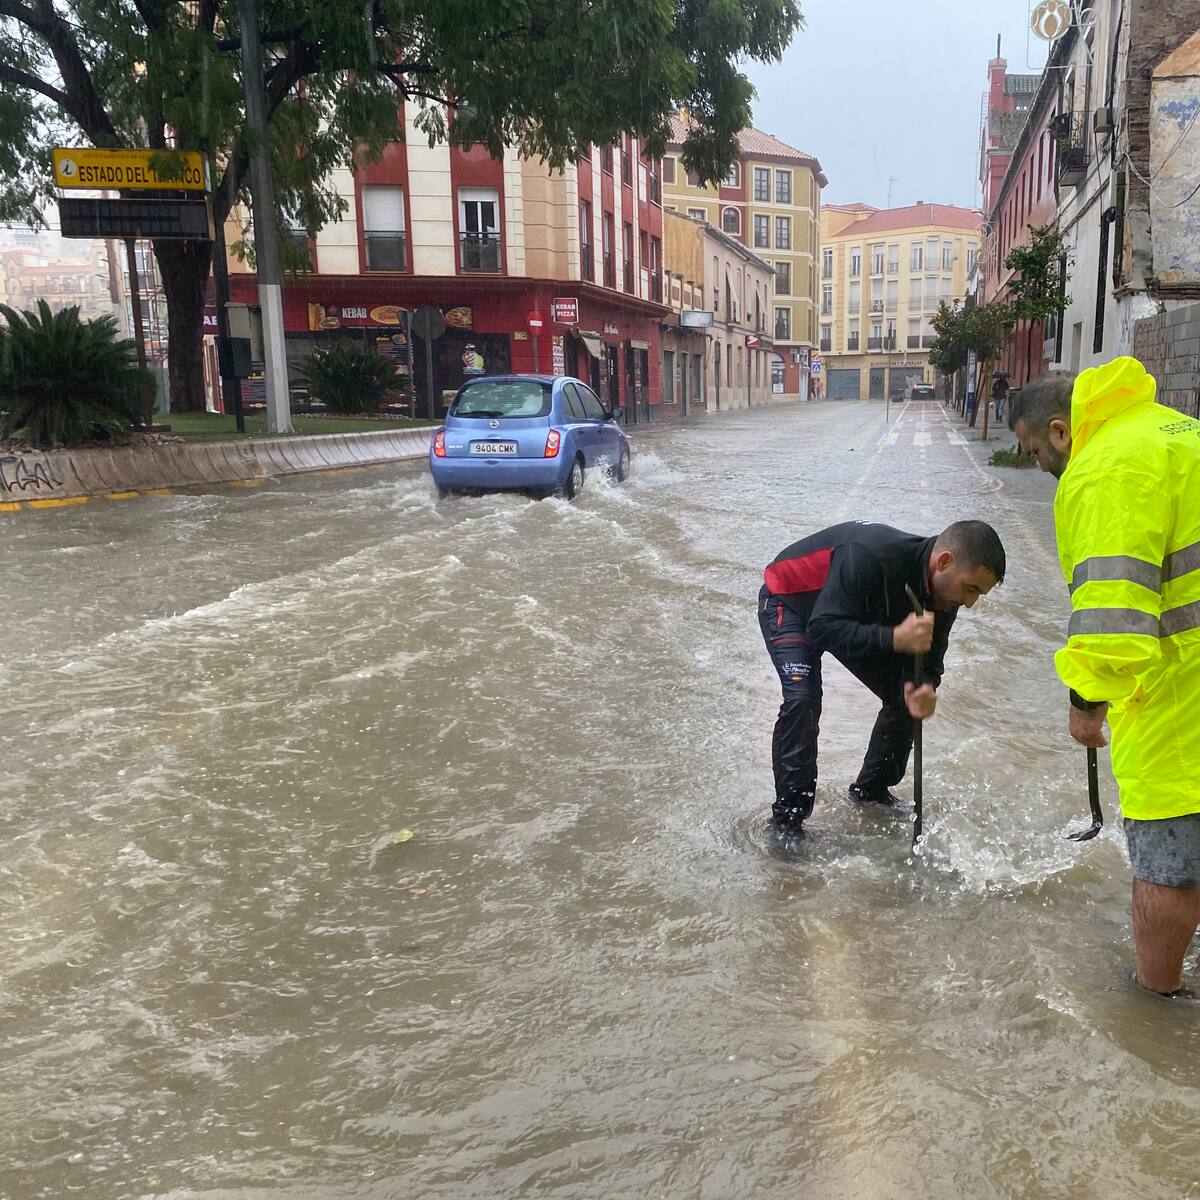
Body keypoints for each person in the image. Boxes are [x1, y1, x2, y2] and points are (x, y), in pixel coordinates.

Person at [1009, 358, 1200, 999]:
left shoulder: (1104, 469)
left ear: (1060, 432)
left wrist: (1086, 706)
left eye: (1034, 449)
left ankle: (1156, 1006)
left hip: (1184, 689)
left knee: (1169, 857)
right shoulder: (1174, 429)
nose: (1037, 466)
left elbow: (1113, 621)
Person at [758, 520, 1006, 835]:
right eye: (971, 588)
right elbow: (821, 628)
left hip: (847, 616)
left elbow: (929, 662)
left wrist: (924, 689)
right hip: (790, 604)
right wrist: (894, 638)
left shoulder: (944, 593)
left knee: (906, 694)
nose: (970, 602)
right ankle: (786, 823)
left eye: (979, 594)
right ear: (944, 562)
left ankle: (871, 794)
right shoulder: (871, 554)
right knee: (802, 698)